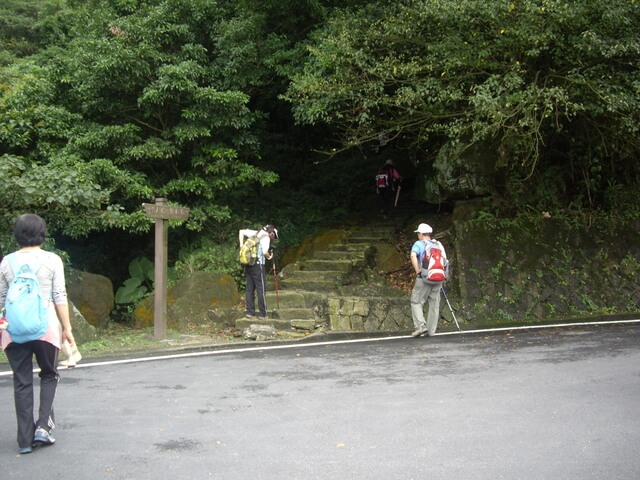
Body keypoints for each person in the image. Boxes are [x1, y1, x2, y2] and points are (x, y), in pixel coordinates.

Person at [0, 213, 75, 455]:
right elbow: (59, 296)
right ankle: (43, 427)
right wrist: (67, 328)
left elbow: (2, 300)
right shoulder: (52, 260)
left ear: (18, 234)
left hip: (14, 330)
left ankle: (24, 440)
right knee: (49, 375)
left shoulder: (5, 262)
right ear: (42, 234)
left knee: (21, 381)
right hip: (46, 328)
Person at [409, 223, 447, 337]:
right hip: (438, 278)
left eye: (418, 233)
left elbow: (412, 255)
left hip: (424, 277)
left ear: (421, 234)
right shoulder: (438, 244)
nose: (418, 235)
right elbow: (445, 260)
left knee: (416, 302)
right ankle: (431, 331)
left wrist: (417, 270)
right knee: (434, 304)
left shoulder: (419, 244)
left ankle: (421, 326)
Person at [238, 224, 278, 319]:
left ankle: (250, 312)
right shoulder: (266, 238)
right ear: (271, 232)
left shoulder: (255, 233)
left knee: (249, 289)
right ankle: (262, 314)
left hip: (249, 264)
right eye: (274, 236)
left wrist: (241, 245)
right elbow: (264, 252)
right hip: (258, 265)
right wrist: (269, 256)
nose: (273, 238)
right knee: (261, 289)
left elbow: (241, 231)